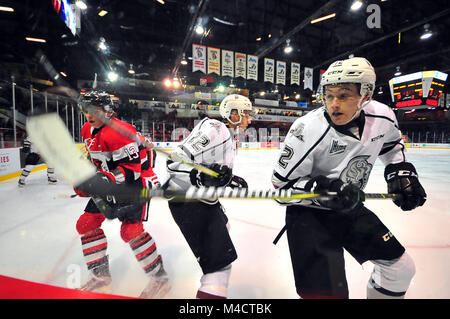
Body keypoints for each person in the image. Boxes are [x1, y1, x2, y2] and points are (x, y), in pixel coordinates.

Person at [271, 57, 426, 299]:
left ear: (366, 94)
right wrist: (318, 188)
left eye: (343, 95)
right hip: (309, 214)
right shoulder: (307, 129)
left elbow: (392, 145)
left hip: (348, 205)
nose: (334, 104)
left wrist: (400, 171)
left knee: (399, 270)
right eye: (329, 95)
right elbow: (280, 190)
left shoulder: (383, 116)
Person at [74, 91, 170, 298]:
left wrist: (105, 179)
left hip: (136, 182)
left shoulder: (120, 132)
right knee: (86, 224)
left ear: (107, 111)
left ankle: (160, 279)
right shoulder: (86, 129)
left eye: (94, 111)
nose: (89, 116)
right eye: (86, 111)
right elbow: (94, 160)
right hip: (110, 180)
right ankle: (101, 277)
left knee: (131, 231)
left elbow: (132, 170)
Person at [165, 94, 252, 299]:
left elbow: (208, 166)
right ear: (233, 114)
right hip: (189, 201)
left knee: (225, 227)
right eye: (246, 114)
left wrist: (228, 179)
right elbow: (174, 163)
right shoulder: (217, 129)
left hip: (201, 200)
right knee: (218, 270)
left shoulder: (226, 132)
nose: (250, 119)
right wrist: (204, 176)